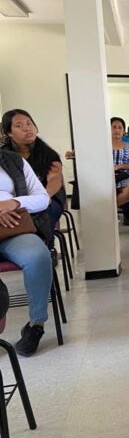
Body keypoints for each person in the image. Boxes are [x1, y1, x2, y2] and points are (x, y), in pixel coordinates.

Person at [0, 149, 53, 356]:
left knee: (38, 256)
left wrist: (14, 203)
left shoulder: (12, 160)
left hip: (14, 227)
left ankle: (36, 325)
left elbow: (43, 198)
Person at [1, 109, 66, 227]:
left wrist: (44, 197)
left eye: (29, 123)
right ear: (9, 133)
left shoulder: (48, 154)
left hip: (48, 197)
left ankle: (45, 244)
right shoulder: (5, 156)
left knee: (43, 215)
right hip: (15, 202)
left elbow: (55, 180)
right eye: (19, 126)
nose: (27, 128)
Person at [111, 117, 129, 226]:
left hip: (123, 176)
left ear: (123, 131)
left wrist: (119, 166)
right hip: (105, 177)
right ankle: (111, 212)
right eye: (114, 127)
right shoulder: (103, 145)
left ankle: (110, 211)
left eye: (120, 128)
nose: (117, 130)